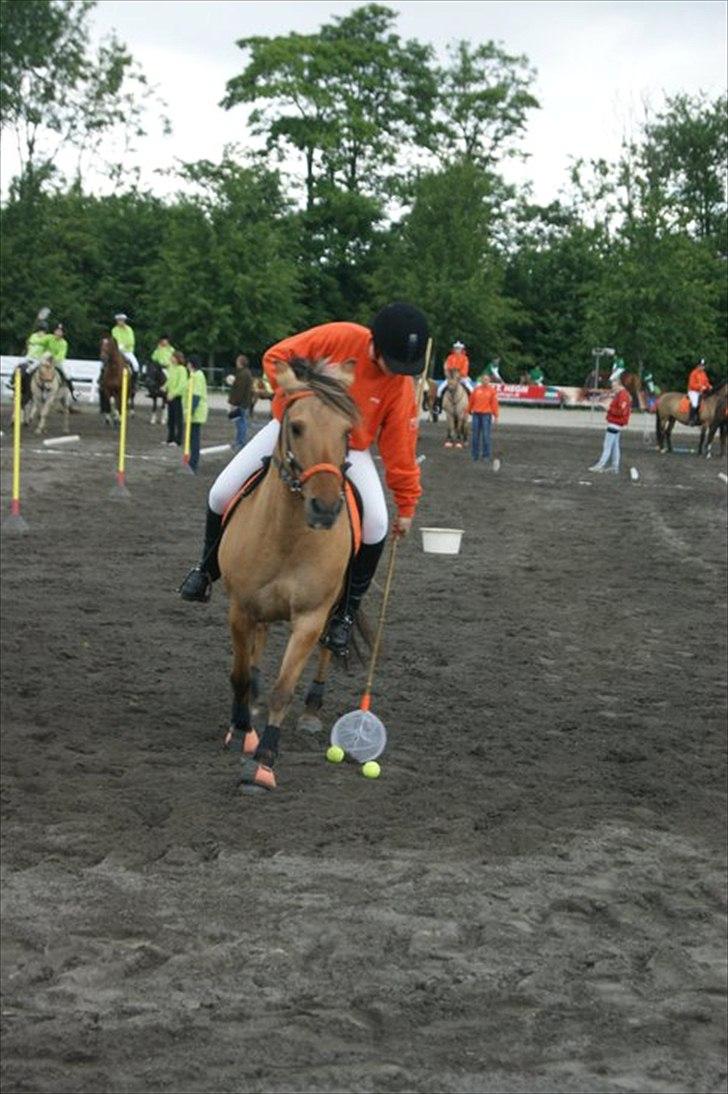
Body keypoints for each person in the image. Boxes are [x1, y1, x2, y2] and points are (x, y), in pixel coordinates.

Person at [179, 301, 430, 657]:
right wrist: (306, 399)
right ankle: (205, 569)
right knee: (220, 492)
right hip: (292, 430)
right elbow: (276, 356)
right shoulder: (339, 336)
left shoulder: (399, 386)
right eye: (394, 361)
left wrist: (406, 504)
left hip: (348, 448)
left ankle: (345, 613)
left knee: (375, 522)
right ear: (375, 343)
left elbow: (400, 450)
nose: (398, 372)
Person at [589, 372, 631, 473]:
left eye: (613, 384)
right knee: (614, 446)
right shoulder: (622, 395)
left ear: (619, 384)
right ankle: (614, 467)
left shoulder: (622, 395)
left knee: (607, 446)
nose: (612, 386)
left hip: (615, 423)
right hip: (616, 423)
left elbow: (622, 411)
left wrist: (609, 409)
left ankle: (600, 465)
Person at [468, 374, 499, 461]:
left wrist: (496, 416)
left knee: (486, 436)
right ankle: (475, 455)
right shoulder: (476, 390)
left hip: (486, 415)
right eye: (484, 379)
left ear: (489, 381)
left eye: (487, 379)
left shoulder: (492, 391)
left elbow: (494, 404)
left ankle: (486, 455)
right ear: (481, 380)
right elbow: (471, 401)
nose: (485, 381)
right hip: (476, 414)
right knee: (475, 436)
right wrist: (468, 411)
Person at [227, 354, 254, 451]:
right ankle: (240, 442)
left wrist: (234, 403)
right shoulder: (246, 373)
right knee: (241, 422)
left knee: (240, 423)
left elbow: (239, 391)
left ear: (241, 362)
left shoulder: (242, 374)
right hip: (244, 402)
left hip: (240, 403)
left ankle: (240, 443)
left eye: (238, 361)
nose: (236, 363)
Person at [186, 355, 208, 473]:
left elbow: (196, 395)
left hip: (196, 412)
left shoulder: (197, 376)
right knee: (192, 438)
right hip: (194, 412)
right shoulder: (194, 375)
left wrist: (191, 411)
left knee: (194, 439)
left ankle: (193, 463)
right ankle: (192, 462)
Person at [435, 340, 474, 405]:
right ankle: (438, 405)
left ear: (461, 349)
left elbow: (465, 368)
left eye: (459, 348)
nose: (457, 350)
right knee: (440, 389)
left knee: (471, 390)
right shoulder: (450, 357)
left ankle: (471, 405)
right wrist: (448, 375)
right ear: (454, 349)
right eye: (456, 348)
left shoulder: (465, 358)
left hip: (461, 378)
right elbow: (447, 367)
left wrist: (459, 375)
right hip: (451, 377)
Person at [162, 350, 188, 446]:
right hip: (170, 396)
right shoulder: (172, 368)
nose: (171, 358)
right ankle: (170, 439)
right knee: (171, 419)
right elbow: (170, 380)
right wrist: (165, 386)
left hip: (178, 397)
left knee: (178, 419)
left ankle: (178, 440)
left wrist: (174, 393)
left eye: (172, 357)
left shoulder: (182, 369)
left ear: (177, 358)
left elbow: (182, 384)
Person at [687, 358, 711, 426]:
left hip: (701, 392)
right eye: (701, 365)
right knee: (694, 403)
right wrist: (700, 387)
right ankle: (691, 419)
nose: (702, 367)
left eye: (703, 366)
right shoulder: (693, 373)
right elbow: (692, 384)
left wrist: (709, 386)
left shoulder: (703, 373)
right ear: (697, 366)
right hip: (693, 391)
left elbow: (706, 382)